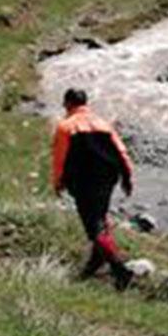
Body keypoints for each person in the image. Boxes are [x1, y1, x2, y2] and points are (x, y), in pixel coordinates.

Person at [51, 88, 136, 290]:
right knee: (100, 216)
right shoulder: (103, 124)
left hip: (83, 181)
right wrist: (127, 177)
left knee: (94, 227)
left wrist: (57, 182)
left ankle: (120, 269)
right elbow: (121, 151)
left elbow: (59, 158)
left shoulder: (66, 127)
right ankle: (96, 261)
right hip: (107, 178)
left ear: (68, 104)